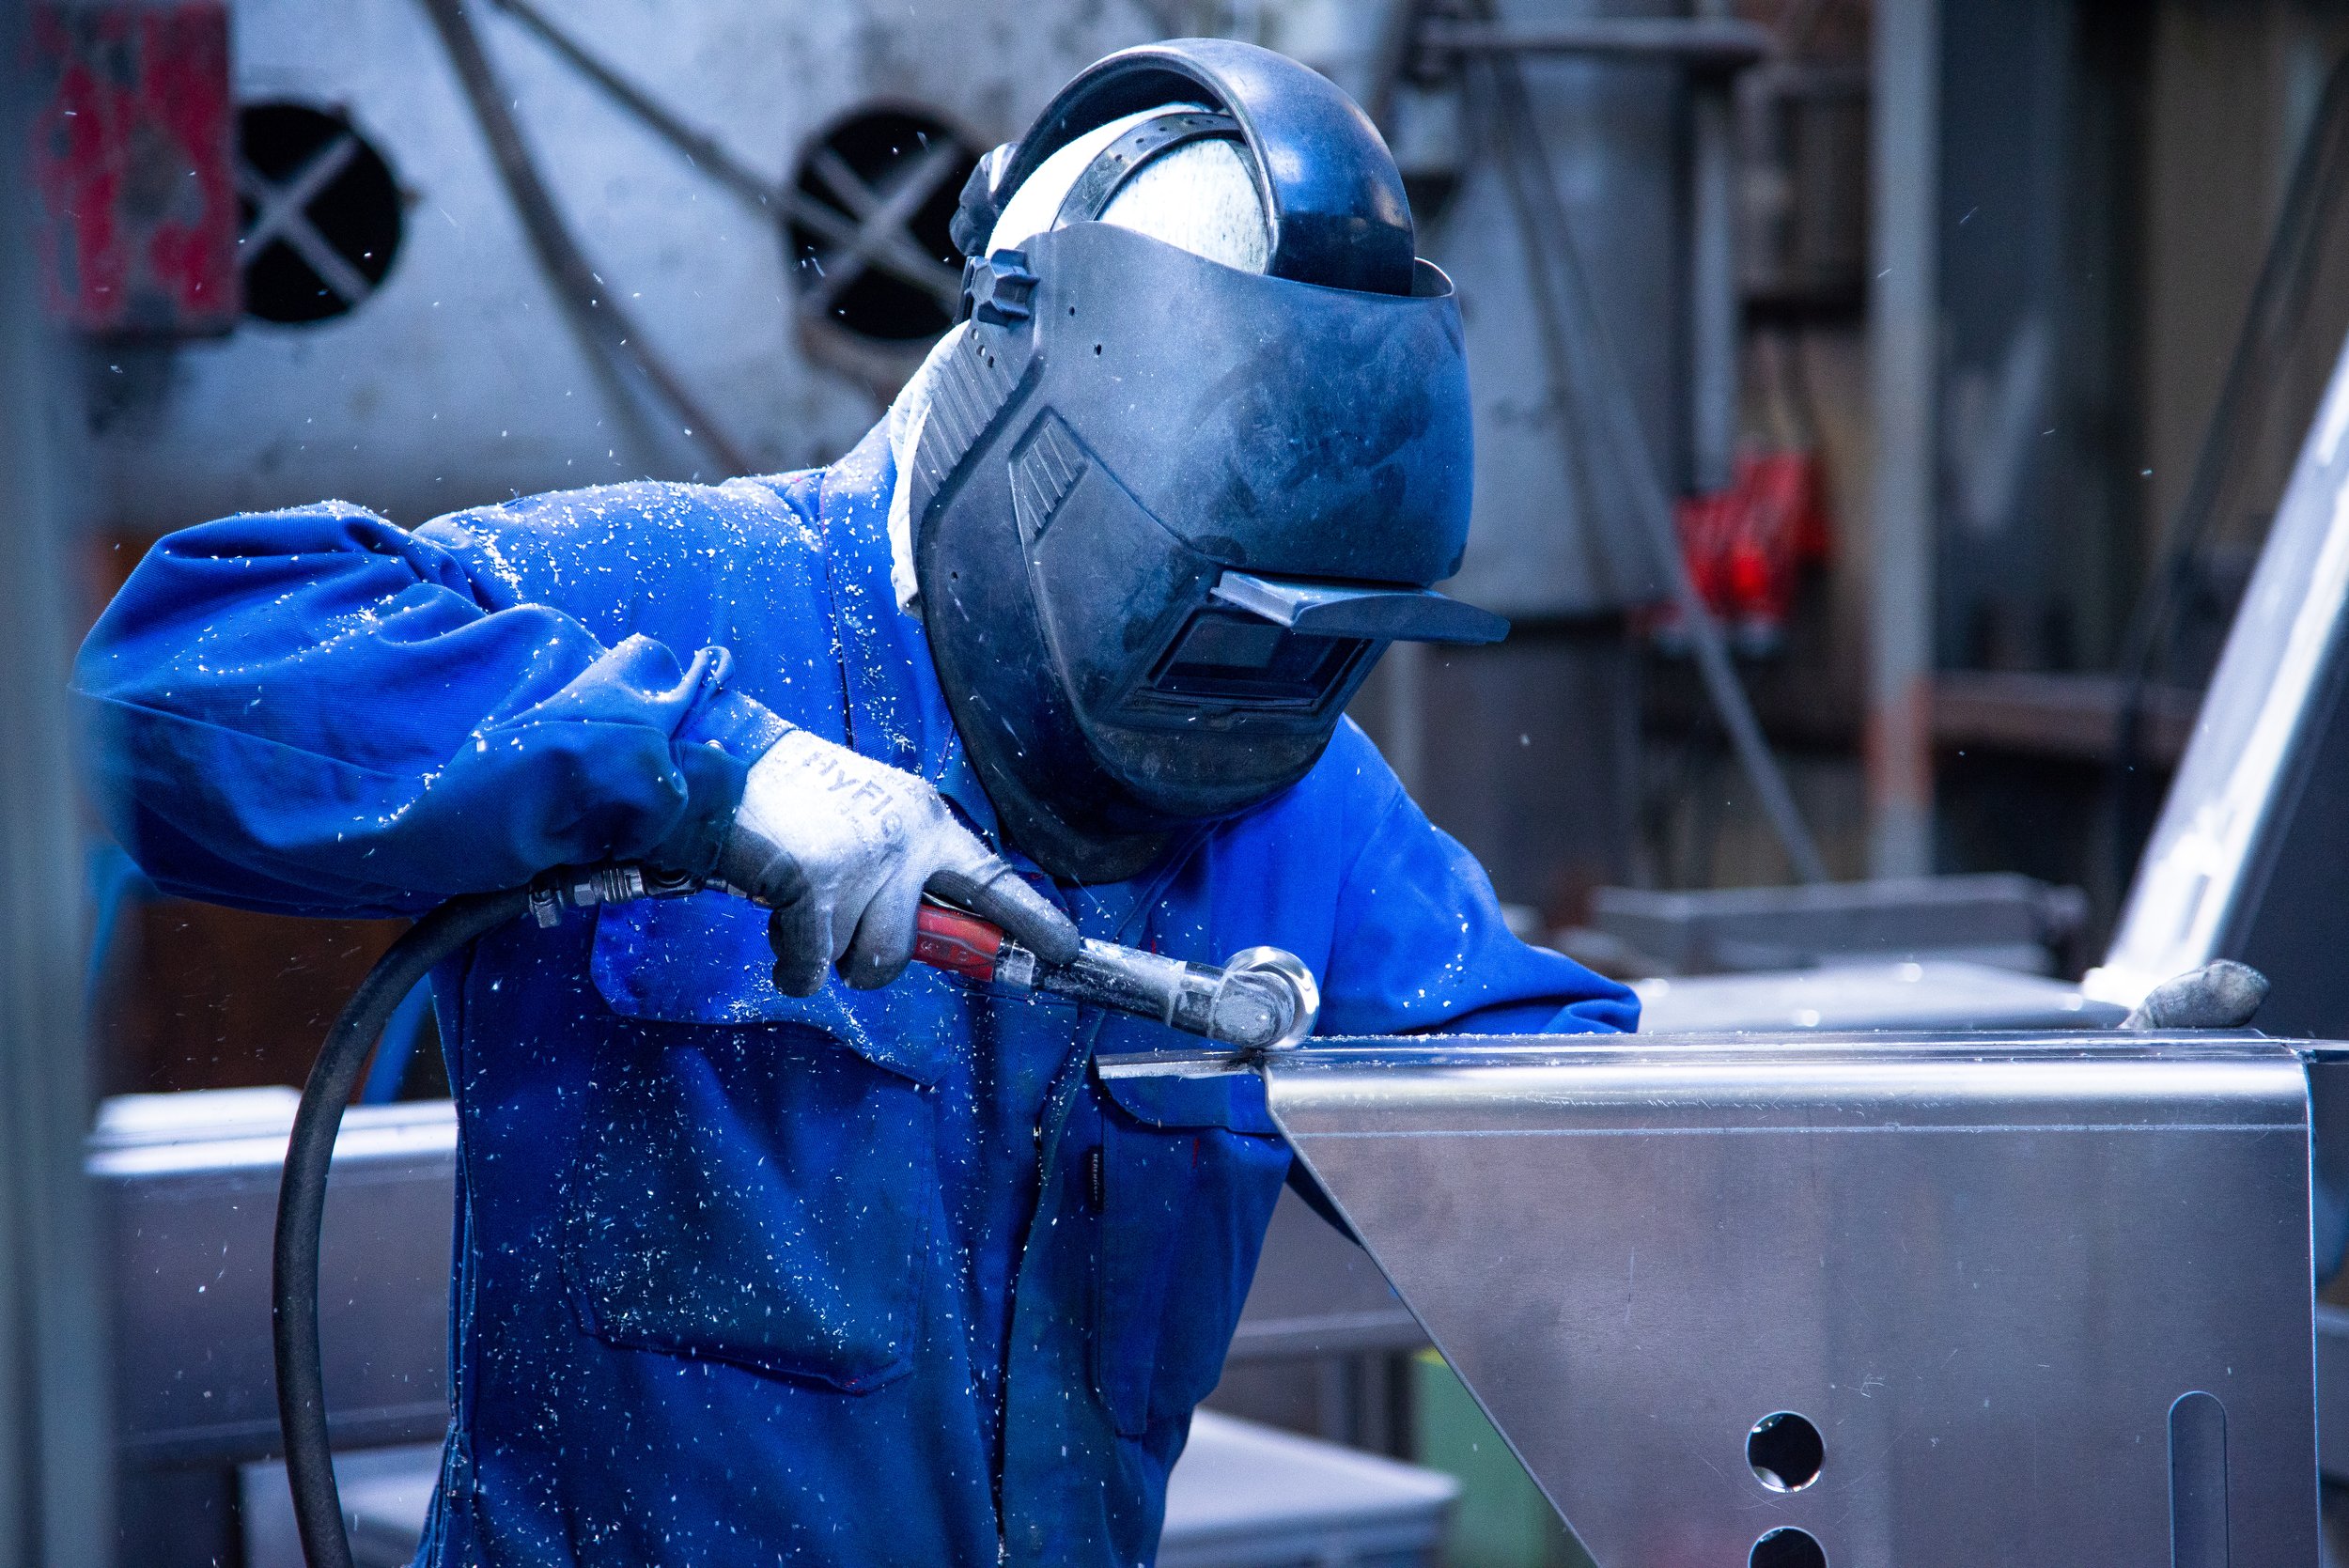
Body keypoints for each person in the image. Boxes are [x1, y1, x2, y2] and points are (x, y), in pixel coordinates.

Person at [75, 39, 1635, 1568]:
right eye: (1208, 621)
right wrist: (699, 772)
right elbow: (151, 687)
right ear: (1025, 424)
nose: (1246, 695)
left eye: (1314, 650)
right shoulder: (683, 610)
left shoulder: (1294, 800)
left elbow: (1569, 1147)